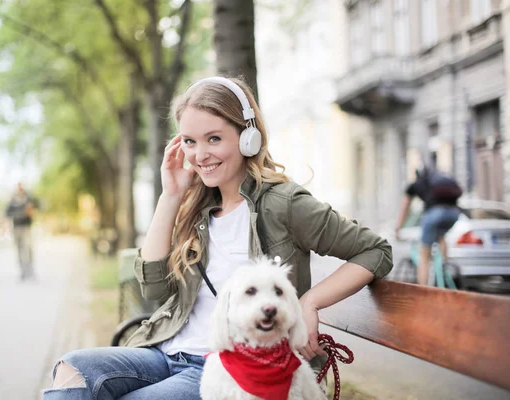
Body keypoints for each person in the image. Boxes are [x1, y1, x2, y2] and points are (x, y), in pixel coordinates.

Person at [43, 76, 393, 399]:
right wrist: (171, 197)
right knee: (72, 370)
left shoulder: (283, 204)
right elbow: (153, 291)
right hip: (165, 351)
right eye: (190, 142)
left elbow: (375, 251)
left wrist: (310, 302)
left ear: (247, 137)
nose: (199, 155)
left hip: (226, 369)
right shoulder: (197, 205)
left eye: (214, 139)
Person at [395, 166, 462, 285]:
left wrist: (398, 228)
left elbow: (405, 208)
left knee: (424, 257)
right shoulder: (436, 180)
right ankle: (444, 268)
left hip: (434, 214)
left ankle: (423, 290)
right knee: (441, 236)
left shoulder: (415, 185)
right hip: (454, 213)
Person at [5, 182, 38, 281]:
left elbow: (35, 207)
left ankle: (30, 270)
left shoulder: (28, 198)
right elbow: (7, 213)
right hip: (16, 227)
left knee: (28, 248)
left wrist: (30, 210)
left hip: (26, 227)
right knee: (19, 249)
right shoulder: (13, 201)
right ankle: (22, 271)